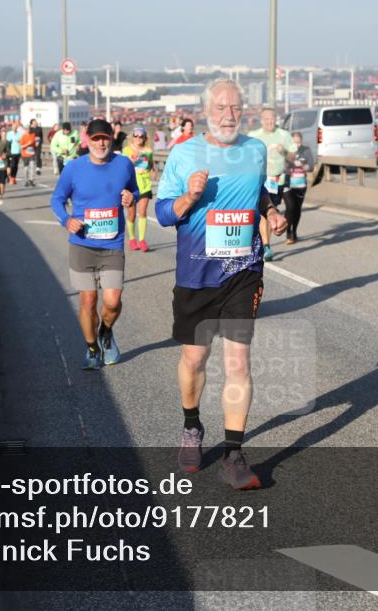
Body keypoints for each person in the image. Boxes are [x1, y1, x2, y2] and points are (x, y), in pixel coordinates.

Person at [156, 79, 287, 490]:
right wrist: (188, 199)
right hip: (196, 274)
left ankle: (233, 455)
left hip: (242, 272)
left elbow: (259, 190)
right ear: (207, 111)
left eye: (235, 108)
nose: (229, 115)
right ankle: (192, 427)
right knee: (194, 360)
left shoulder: (255, 149)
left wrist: (272, 211)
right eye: (221, 108)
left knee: (237, 364)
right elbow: (162, 213)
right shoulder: (184, 153)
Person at [51, 119, 139, 370]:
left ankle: (106, 331)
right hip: (82, 244)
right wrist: (67, 220)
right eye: (96, 138)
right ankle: (91, 348)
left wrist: (131, 197)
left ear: (112, 139)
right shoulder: (73, 169)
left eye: (105, 138)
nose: (101, 143)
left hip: (112, 245)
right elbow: (57, 200)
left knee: (112, 302)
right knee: (88, 301)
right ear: (86, 139)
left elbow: (135, 190)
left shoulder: (123, 164)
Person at [248, 108, 295, 261]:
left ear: (276, 119)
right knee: (265, 212)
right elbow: (244, 156)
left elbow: (293, 156)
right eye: (267, 119)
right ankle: (266, 246)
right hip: (260, 180)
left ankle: (265, 243)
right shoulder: (254, 136)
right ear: (262, 120)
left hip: (278, 180)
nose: (270, 122)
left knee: (272, 212)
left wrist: (284, 152)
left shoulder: (283, 135)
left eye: (272, 119)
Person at [123, 126, 155, 251]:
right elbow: (123, 166)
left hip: (145, 185)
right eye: (135, 135)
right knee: (131, 215)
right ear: (132, 137)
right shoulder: (126, 150)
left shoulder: (148, 150)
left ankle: (141, 240)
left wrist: (152, 169)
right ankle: (132, 239)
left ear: (145, 138)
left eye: (141, 136)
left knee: (142, 212)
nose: (138, 138)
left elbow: (151, 163)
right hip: (130, 186)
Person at [282, 131, 314, 244]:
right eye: (294, 142)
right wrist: (290, 163)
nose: (297, 145)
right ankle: (288, 233)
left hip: (300, 184)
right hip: (287, 183)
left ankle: (294, 231)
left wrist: (304, 166)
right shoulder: (286, 151)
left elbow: (311, 166)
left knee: (297, 209)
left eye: (299, 142)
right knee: (290, 207)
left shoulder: (306, 150)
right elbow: (280, 165)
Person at [6, 119, 25, 185]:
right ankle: (11, 177)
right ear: (11, 127)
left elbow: (22, 142)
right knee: (12, 165)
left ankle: (13, 177)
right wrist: (8, 152)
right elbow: (8, 143)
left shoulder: (20, 134)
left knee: (16, 166)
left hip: (18, 151)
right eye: (13, 127)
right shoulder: (9, 134)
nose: (14, 128)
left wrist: (19, 142)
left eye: (16, 127)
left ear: (17, 127)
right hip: (12, 152)